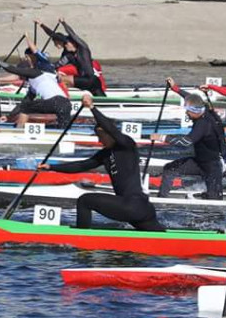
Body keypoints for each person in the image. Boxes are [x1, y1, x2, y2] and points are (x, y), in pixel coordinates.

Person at [39, 94, 162, 231]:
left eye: (100, 136)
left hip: (133, 205)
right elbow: (81, 165)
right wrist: (51, 167)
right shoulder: (105, 154)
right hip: (137, 208)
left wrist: (92, 107)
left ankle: (81, 239)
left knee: (85, 201)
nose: (99, 141)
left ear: (107, 133)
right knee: (161, 238)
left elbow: (111, 128)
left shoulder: (126, 145)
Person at [155, 78, 225, 199]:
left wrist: (162, 137)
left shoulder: (202, 125)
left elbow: (185, 142)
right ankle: (162, 198)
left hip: (213, 166)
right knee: (170, 169)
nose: (186, 114)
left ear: (194, 112)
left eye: (188, 111)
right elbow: (191, 97)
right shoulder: (205, 109)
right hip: (198, 162)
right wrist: (175, 88)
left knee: (215, 200)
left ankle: (212, 197)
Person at [0, 39, 72, 129]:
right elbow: (24, 102)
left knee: (26, 108)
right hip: (67, 104)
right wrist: (9, 117)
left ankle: (18, 131)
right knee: (64, 130)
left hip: (55, 102)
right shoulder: (49, 75)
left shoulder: (35, 73)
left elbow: (12, 69)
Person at [34, 18, 107, 96]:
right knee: (103, 104)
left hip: (91, 80)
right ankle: (63, 97)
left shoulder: (83, 48)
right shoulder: (68, 55)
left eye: (67, 43)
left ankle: (62, 99)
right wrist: (41, 67)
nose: (66, 45)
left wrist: (63, 23)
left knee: (60, 79)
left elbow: (71, 34)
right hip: (84, 81)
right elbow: (56, 65)